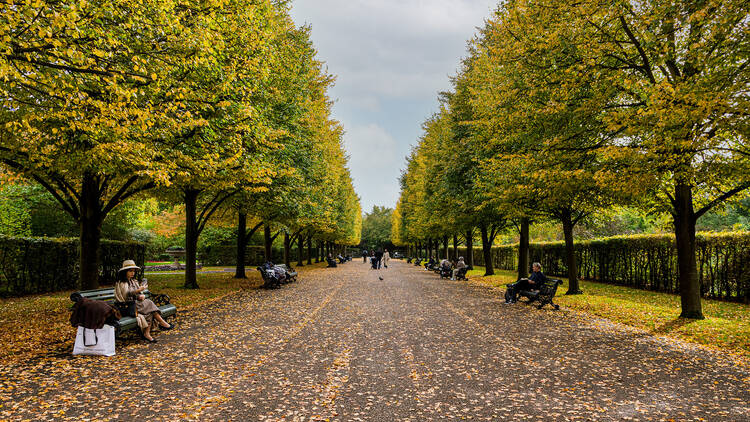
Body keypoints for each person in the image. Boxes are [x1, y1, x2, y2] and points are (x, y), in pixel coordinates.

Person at [114, 260, 173, 342]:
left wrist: (140, 296)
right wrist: (139, 290)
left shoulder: (133, 281)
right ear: (125, 272)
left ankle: (147, 334)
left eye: (133, 271)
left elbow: (135, 295)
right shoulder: (122, 283)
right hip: (126, 306)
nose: (132, 273)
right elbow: (126, 295)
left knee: (149, 311)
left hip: (135, 305)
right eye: (130, 271)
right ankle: (162, 323)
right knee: (149, 303)